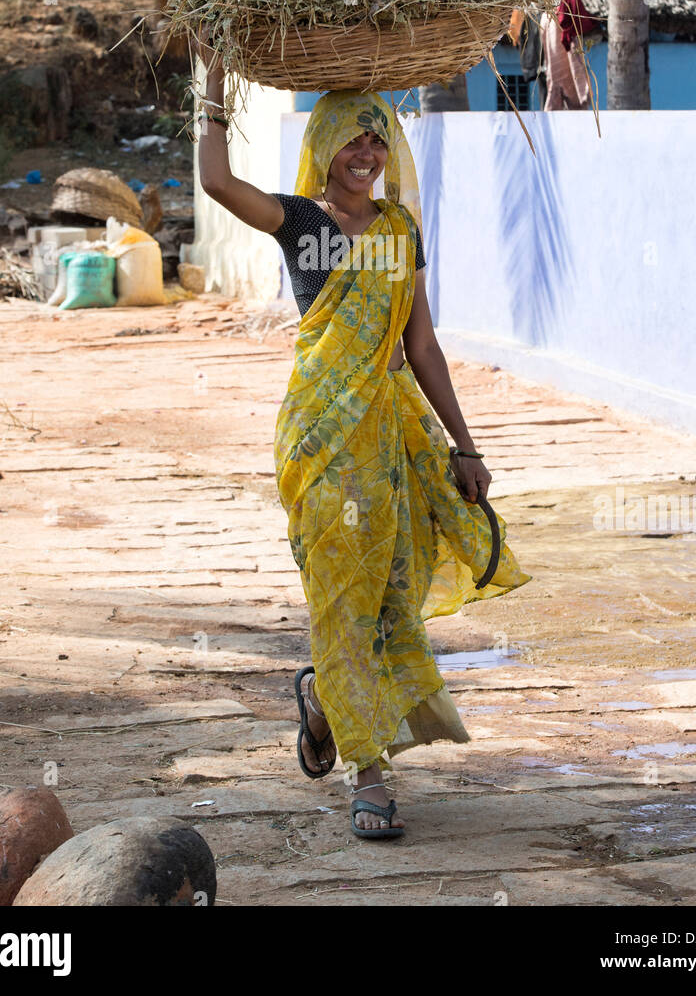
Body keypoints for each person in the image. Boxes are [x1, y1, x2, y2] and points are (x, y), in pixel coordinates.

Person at [198, 56, 531, 841]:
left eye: (377, 141)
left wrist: (464, 445)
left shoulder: (398, 232)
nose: (366, 154)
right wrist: (211, 86)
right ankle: (369, 771)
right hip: (321, 438)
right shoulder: (300, 222)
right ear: (323, 144)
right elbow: (215, 181)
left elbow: (422, 344)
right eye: (352, 139)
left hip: (393, 438)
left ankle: (327, 698)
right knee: (340, 597)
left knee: (389, 597)